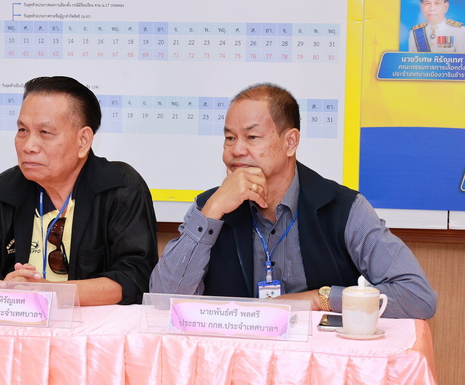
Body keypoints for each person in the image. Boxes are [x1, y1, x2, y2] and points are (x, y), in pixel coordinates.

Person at [150, 83, 436, 319]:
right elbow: (162, 301)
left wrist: (320, 299)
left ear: (290, 142)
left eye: (252, 137)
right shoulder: (210, 208)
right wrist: (212, 211)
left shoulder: (343, 208)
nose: (236, 150)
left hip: (321, 361)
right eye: (229, 138)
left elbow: (417, 297)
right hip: (236, 358)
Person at [0, 76, 157, 306]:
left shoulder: (120, 188)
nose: (28, 146)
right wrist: (3, 289)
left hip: (96, 326)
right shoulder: (2, 190)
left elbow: (135, 277)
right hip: (19, 320)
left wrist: (51, 293)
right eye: (22, 130)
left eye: (45, 132)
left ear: (83, 141)